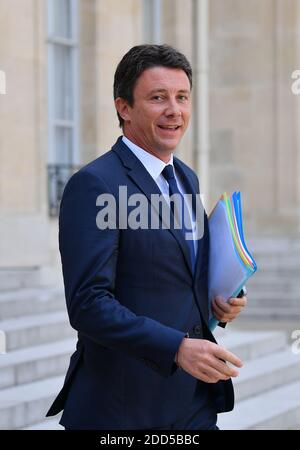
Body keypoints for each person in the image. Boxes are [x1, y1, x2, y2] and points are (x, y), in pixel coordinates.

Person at [46, 44, 247, 430]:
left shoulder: (187, 178)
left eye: (182, 97)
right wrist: (175, 348)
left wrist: (224, 299)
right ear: (124, 107)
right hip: (123, 410)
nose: (175, 110)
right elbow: (88, 304)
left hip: (193, 404)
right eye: (158, 98)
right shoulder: (95, 185)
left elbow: (185, 272)